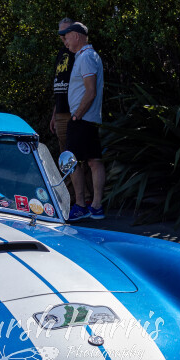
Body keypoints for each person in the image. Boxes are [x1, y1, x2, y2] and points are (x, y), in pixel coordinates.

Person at [61, 21, 105, 221]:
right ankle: (95, 206)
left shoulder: (86, 57)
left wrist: (76, 115)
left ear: (77, 36)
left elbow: (91, 91)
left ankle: (81, 205)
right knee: (92, 160)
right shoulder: (85, 56)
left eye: (67, 36)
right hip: (86, 118)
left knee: (71, 161)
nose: (65, 41)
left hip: (82, 118)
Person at [49, 17, 90, 207]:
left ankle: (83, 198)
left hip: (74, 111)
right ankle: (71, 197)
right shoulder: (61, 54)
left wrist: (79, 112)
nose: (63, 36)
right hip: (61, 112)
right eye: (60, 33)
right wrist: (54, 114)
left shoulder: (79, 54)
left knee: (76, 157)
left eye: (66, 32)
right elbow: (59, 84)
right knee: (65, 157)